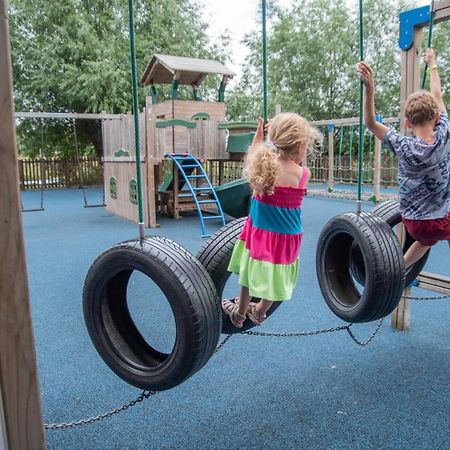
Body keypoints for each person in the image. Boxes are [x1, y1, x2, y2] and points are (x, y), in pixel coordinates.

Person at [222, 112, 320, 328]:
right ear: (299, 146)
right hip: (289, 237)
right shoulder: (304, 174)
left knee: (248, 275)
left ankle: (239, 314)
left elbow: (256, 150)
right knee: (278, 274)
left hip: (261, 232)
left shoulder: (263, 170)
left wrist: (260, 132)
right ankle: (260, 312)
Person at [358, 48, 450, 271]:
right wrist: (432, 63)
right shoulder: (445, 132)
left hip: (413, 223)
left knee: (426, 240)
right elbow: (437, 96)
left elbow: (370, 124)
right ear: (436, 117)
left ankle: (398, 269)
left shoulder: (402, 144)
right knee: (439, 232)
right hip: (441, 220)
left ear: (408, 123)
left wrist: (369, 88)